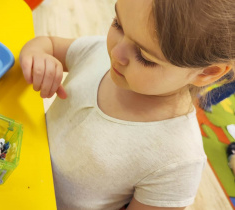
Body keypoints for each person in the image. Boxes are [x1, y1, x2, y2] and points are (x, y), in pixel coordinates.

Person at [19, 0, 235, 209]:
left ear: (207, 72)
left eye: (144, 57)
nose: (116, 53)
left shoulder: (179, 161)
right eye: (118, 24)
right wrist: (37, 55)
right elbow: (49, 44)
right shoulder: (98, 53)